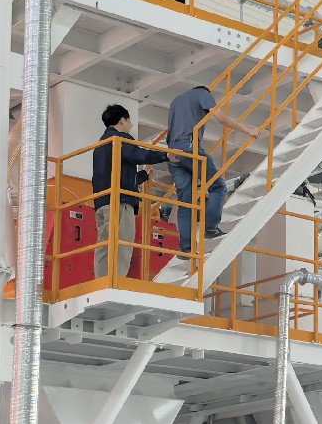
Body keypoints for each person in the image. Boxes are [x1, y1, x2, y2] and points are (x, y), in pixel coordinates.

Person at [91, 104, 169, 280]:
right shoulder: (121, 139)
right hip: (120, 203)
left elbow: (117, 174)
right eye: (129, 121)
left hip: (102, 203)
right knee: (122, 244)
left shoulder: (101, 145)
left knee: (104, 244)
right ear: (122, 121)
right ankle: (116, 282)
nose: (131, 124)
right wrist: (166, 155)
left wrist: (142, 176)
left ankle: (102, 281)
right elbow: (140, 155)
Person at [164, 82, 225, 257]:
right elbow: (220, 117)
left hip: (173, 153)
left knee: (186, 202)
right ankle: (210, 228)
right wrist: (248, 130)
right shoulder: (203, 94)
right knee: (218, 186)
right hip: (190, 149)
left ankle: (186, 248)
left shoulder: (176, 101)